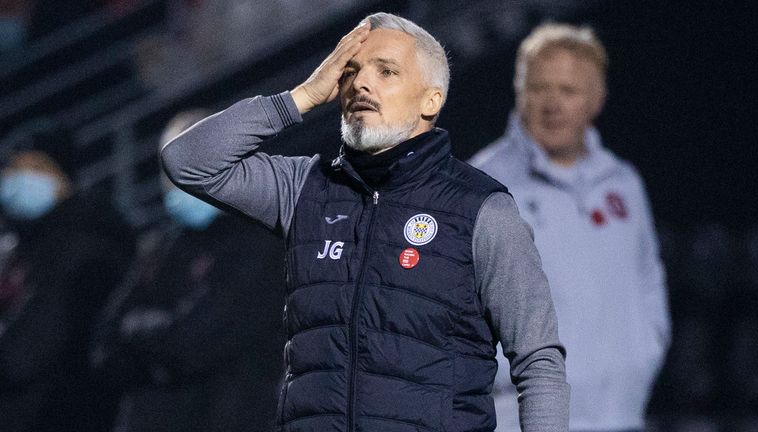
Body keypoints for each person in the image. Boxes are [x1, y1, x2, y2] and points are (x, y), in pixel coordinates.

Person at [161, 12, 568, 432]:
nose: (360, 83)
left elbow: (538, 359)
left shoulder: (481, 209)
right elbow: (187, 162)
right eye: (349, 71)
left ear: (431, 100)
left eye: (386, 71)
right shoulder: (305, 188)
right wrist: (298, 97)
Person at [469, 23, 671, 432]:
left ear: (596, 100)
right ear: (519, 92)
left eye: (568, 90)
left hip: (621, 414)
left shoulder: (622, 182)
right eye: (539, 88)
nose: (552, 104)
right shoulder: (482, 184)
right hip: (523, 420)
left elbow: (649, 279)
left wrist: (642, 356)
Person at [90, 110, 287, 432]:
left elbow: (196, 342)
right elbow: (104, 347)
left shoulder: (263, 238)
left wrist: (141, 338)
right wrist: (162, 341)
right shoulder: (161, 247)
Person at [0, 133, 136, 432]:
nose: (16, 178)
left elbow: (30, 346)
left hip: (63, 411)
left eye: (36, 169)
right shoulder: (30, 242)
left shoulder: (83, 240)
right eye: (13, 168)